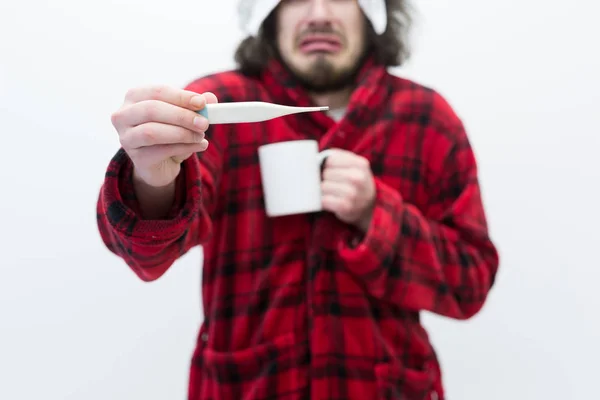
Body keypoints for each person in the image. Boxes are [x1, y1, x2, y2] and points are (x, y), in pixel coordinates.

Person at [96, 0, 500, 398]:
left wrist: (377, 215)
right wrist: (151, 177)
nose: (319, 13)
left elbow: (471, 284)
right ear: (267, 14)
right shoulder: (218, 107)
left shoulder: (427, 118)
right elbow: (143, 255)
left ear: (374, 12)